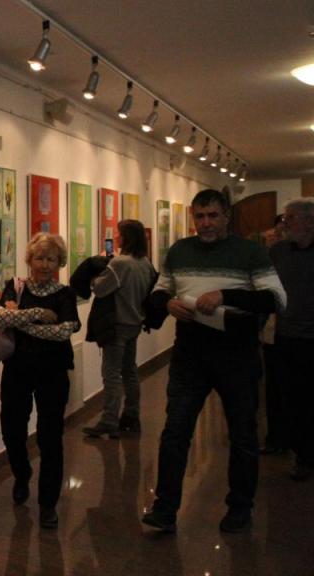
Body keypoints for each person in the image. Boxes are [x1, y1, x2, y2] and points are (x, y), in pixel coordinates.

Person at [141, 189, 286, 534]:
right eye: (200, 216)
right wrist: (167, 304)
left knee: (243, 434)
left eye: (212, 216)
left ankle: (240, 507)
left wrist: (225, 295)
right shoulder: (180, 250)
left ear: (226, 217)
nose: (205, 223)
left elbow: (276, 298)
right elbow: (159, 291)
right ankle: (165, 509)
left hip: (236, 353)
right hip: (190, 353)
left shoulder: (250, 252)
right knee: (175, 431)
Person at [0, 233, 81, 529]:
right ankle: (22, 474)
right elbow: (0, 317)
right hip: (16, 370)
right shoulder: (16, 287)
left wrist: (21, 321)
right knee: (11, 430)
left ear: (59, 262)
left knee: (50, 437)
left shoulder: (65, 294)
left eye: (51, 259)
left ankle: (48, 504)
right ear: (30, 259)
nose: (45, 265)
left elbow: (64, 331)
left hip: (53, 373)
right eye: (40, 258)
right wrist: (39, 314)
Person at [82, 220, 157, 438]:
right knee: (130, 371)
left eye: (119, 234)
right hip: (135, 323)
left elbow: (100, 288)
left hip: (117, 324)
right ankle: (131, 416)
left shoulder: (120, 263)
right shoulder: (145, 262)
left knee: (111, 374)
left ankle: (109, 420)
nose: (115, 237)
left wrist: (96, 275)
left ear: (126, 238)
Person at [269, 198, 314, 480]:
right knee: (292, 399)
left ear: (309, 221)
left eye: (290, 218)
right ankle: (302, 454)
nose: (284, 223)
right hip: (286, 337)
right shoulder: (278, 251)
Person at [260, 214, 289, 454]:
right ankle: (277, 438)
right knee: (275, 387)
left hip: (298, 330)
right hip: (275, 331)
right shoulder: (274, 256)